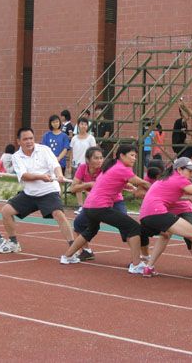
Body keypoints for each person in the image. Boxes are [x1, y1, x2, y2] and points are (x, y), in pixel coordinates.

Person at [61, 144, 151, 273]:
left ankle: (67, 257)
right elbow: (144, 183)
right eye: (132, 155)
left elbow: (126, 185)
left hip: (90, 206)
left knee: (91, 230)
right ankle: (136, 264)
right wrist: (158, 192)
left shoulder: (112, 166)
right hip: (100, 207)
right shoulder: (122, 168)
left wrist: (135, 189)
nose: (134, 159)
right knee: (134, 227)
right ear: (121, 156)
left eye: (135, 156)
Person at [140, 157, 192, 285]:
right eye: (189, 171)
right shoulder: (180, 179)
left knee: (165, 234)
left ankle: (148, 267)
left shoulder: (166, 178)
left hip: (146, 214)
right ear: (179, 169)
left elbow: (168, 197)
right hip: (157, 212)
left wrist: (187, 197)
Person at [0, 127, 74, 253]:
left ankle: (73, 247)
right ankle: (13, 243)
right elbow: (24, 175)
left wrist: (60, 175)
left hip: (49, 191)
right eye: (25, 139)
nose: (29, 141)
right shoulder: (16, 157)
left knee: (59, 214)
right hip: (30, 194)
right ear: (19, 141)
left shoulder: (44, 150)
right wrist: (41, 177)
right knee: (6, 211)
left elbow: (55, 165)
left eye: (31, 138)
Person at [69, 146, 119, 261]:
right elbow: (73, 188)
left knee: (127, 227)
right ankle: (86, 251)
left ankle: (140, 257)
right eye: (96, 158)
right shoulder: (82, 168)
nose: (100, 161)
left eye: (101, 158)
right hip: (95, 204)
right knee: (78, 224)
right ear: (88, 160)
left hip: (114, 200)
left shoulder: (106, 169)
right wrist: (88, 184)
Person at [68, 117, 96, 209]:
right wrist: (69, 165)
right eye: (81, 124)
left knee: (88, 187)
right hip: (76, 165)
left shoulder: (91, 138)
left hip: (87, 166)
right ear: (78, 125)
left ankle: (91, 205)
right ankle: (80, 205)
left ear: (87, 126)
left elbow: (94, 152)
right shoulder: (74, 138)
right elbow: (71, 152)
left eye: (85, 124)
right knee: (77, 186)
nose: (83, 126)